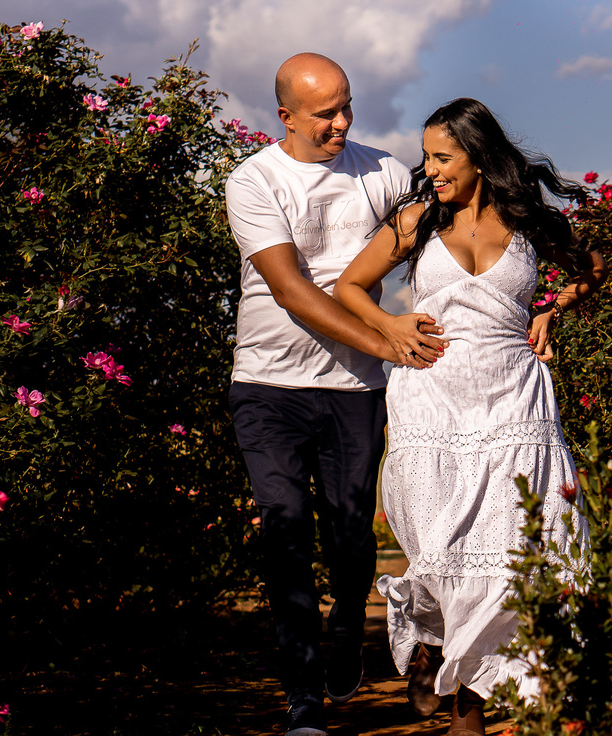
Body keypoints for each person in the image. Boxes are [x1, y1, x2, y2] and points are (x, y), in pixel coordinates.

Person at [334, 98, 606, 735]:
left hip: (515, 399)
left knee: (511, 548)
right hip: (432, 399)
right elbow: (348, 288)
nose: (429, 169)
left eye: (442, 156)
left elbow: (593, 268)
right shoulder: (415, 221)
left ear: (478, 157)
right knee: (444, 546)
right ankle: (434, 643)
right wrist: (391, 325)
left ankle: (470, 708)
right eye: (425, 157)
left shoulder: (527, 220)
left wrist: (551, 310)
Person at [224, 52, 447, 736]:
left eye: (347, 106)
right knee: (285, 530)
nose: (342, 122)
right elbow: (292, 291)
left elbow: (450, 219)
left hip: (353, 390)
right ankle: (302, 694)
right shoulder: (254, 180)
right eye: (325, 113)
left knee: (350, 532)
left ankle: (349, 623)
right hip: (268, 385)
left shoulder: (382, 173)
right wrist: (388, 342)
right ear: (286, 117)